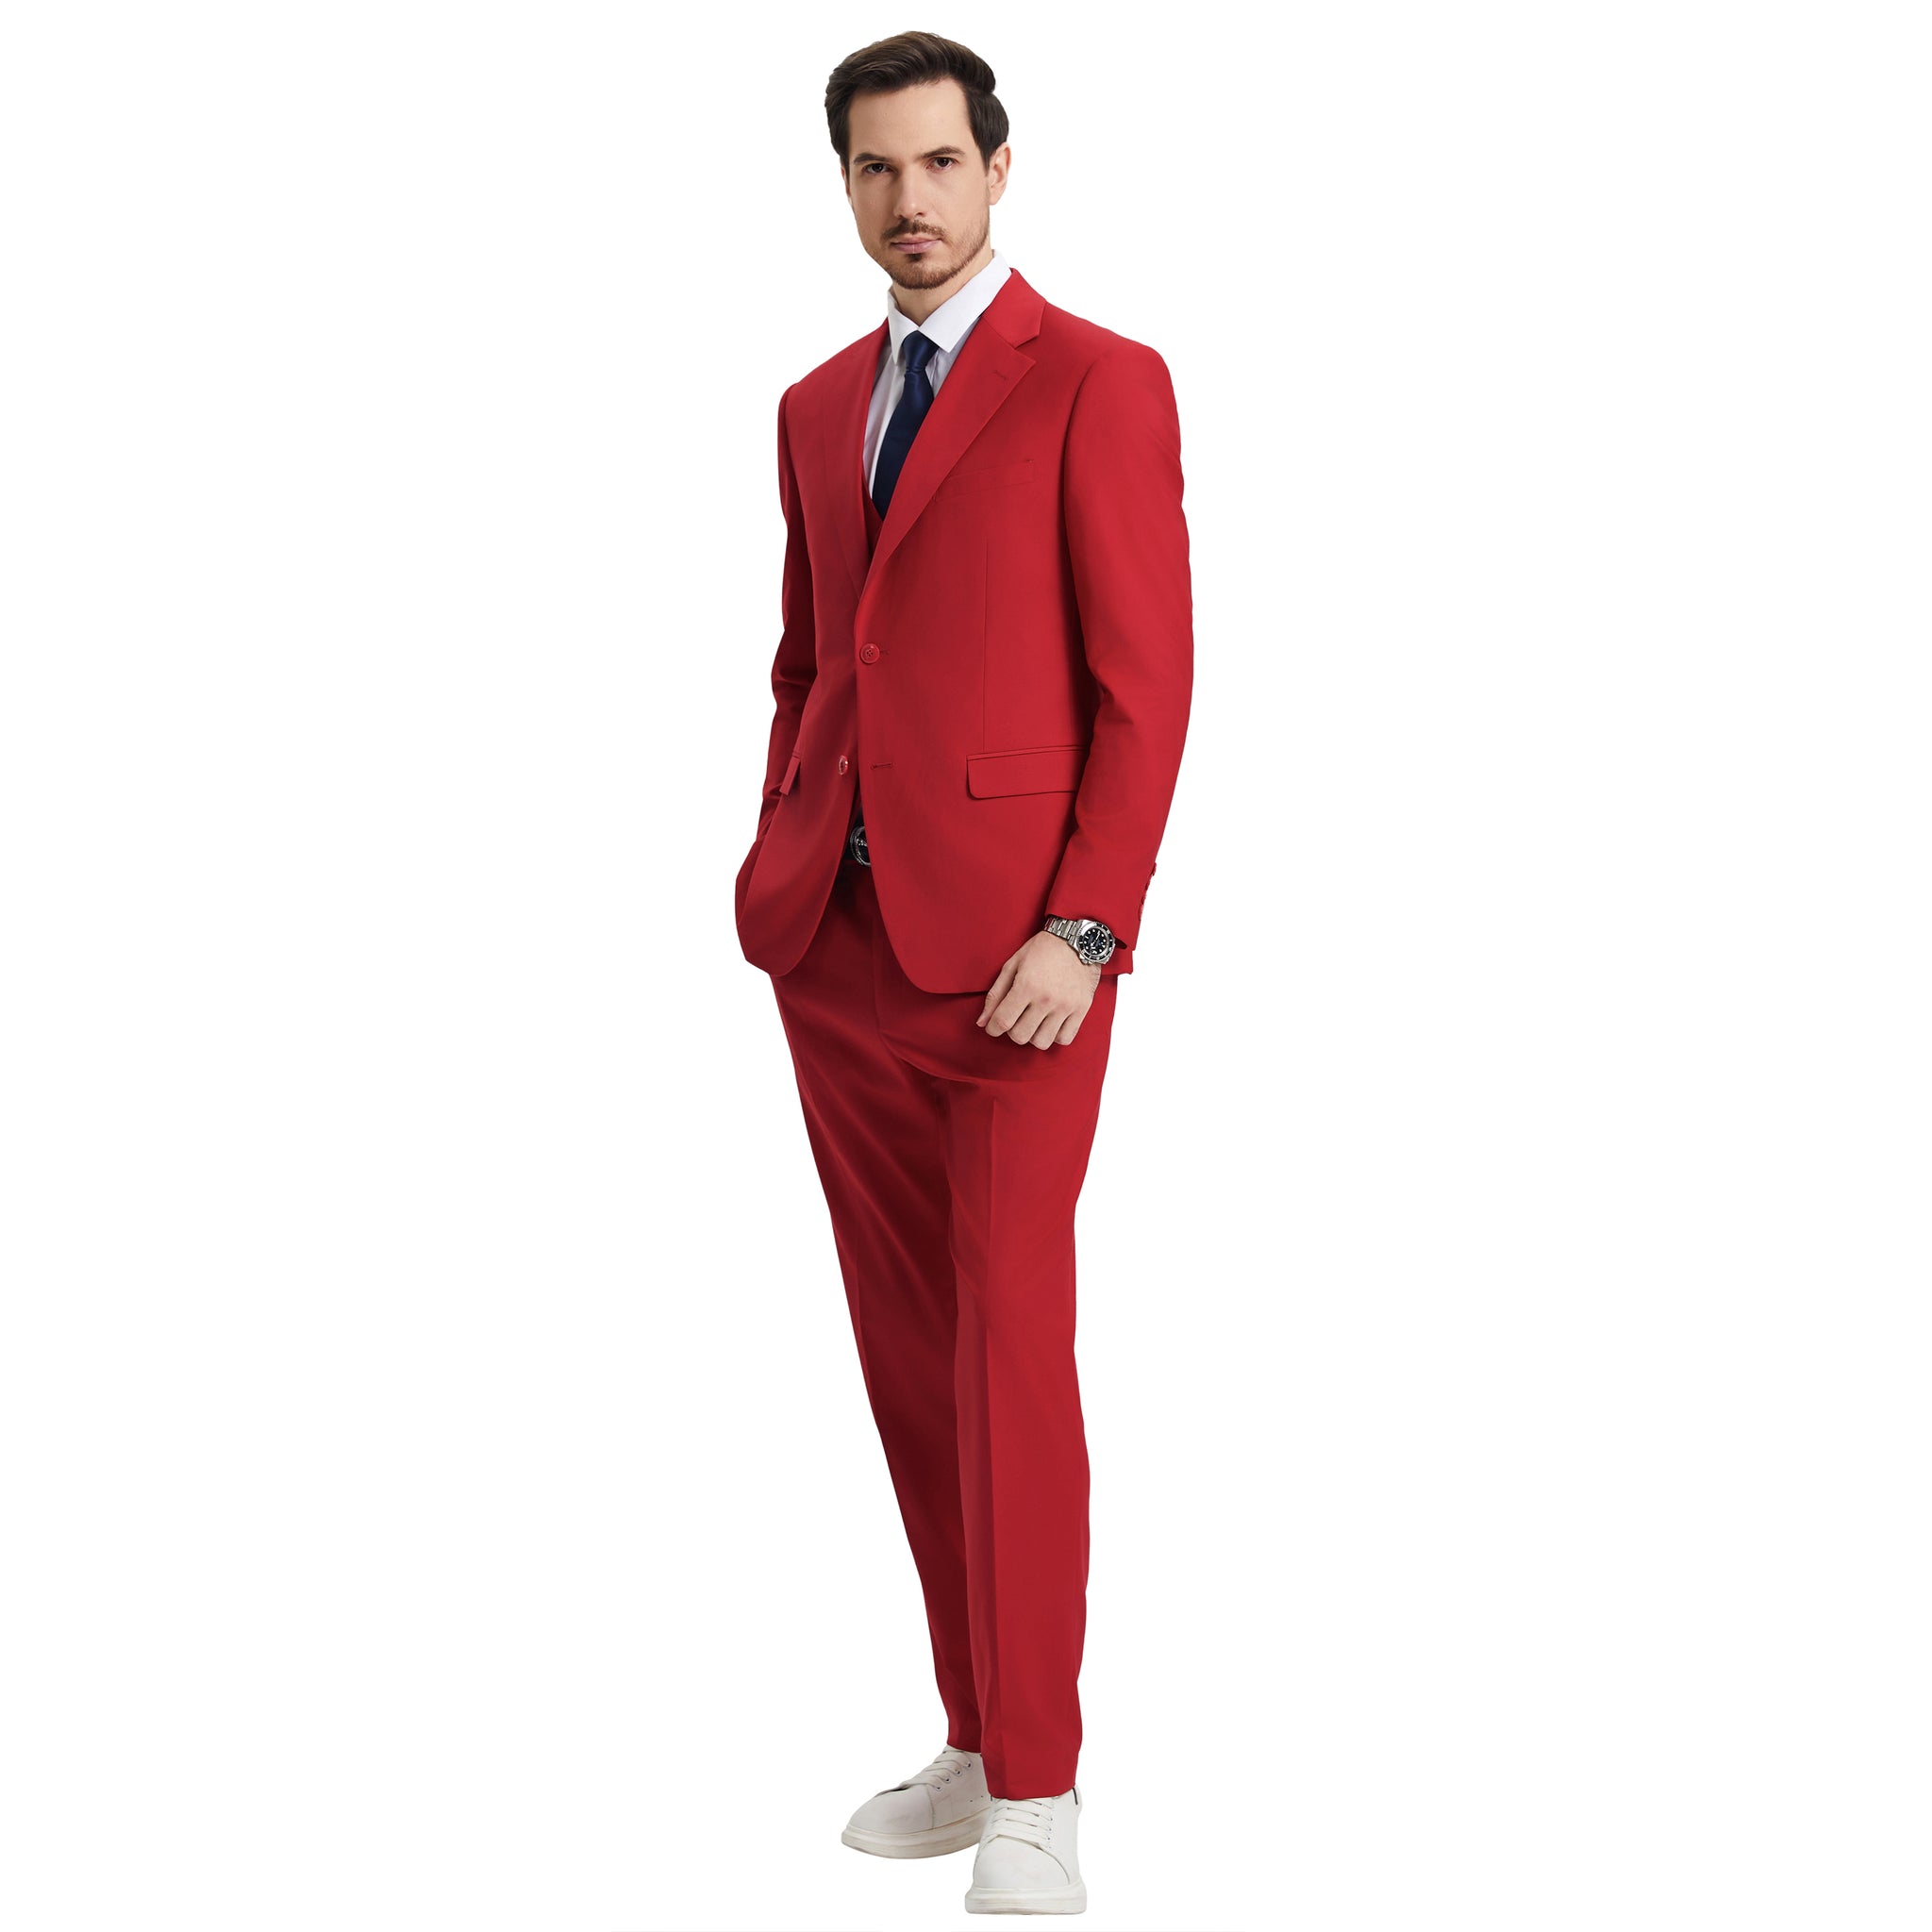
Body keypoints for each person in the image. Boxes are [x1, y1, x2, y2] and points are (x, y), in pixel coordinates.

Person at [732, 30, 1192, 1917]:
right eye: (874, 168)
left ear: (999, 168)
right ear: (844, 183)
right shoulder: (813, 404)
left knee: (1009, 1357)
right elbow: (807, 661)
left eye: (937, 163)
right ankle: (977, 1733)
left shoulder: (1097, 381)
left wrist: (1086, 927)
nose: (907, 201)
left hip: (1017, 968)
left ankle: (1045, 1786)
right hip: (835, 949)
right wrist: (777, 846)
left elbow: (1145, 687)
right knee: (912, 1365)